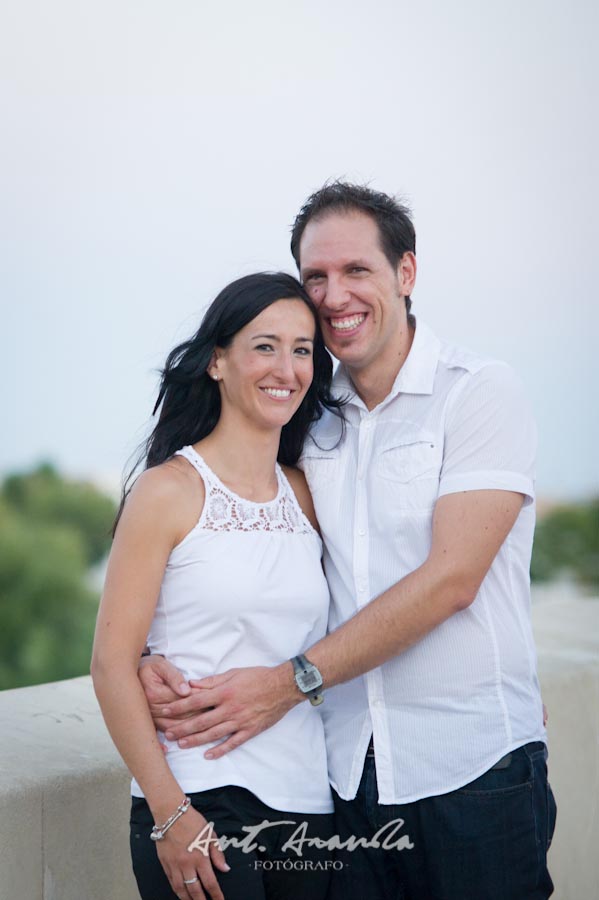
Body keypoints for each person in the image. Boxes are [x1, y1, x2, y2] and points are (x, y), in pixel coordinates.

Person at [140, 183, 557, 900]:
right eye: (316, 276)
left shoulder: (478, 392)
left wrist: (288, 682)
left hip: (472, 769)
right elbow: (241, 543)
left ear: (405, 273)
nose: (334, 294)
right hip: (342, 777)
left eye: (356, 270)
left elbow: (452, 579)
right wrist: (151, 649)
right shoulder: (309, 419)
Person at [91, 272, 346, 900]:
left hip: (307, 803)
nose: (285, 367)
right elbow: (110, 664)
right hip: (199, 800)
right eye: (264, 346)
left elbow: (369, 614)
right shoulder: (167, 491)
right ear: (216, 362)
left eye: (303, 349)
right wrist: (171, 815)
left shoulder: (309, 494)